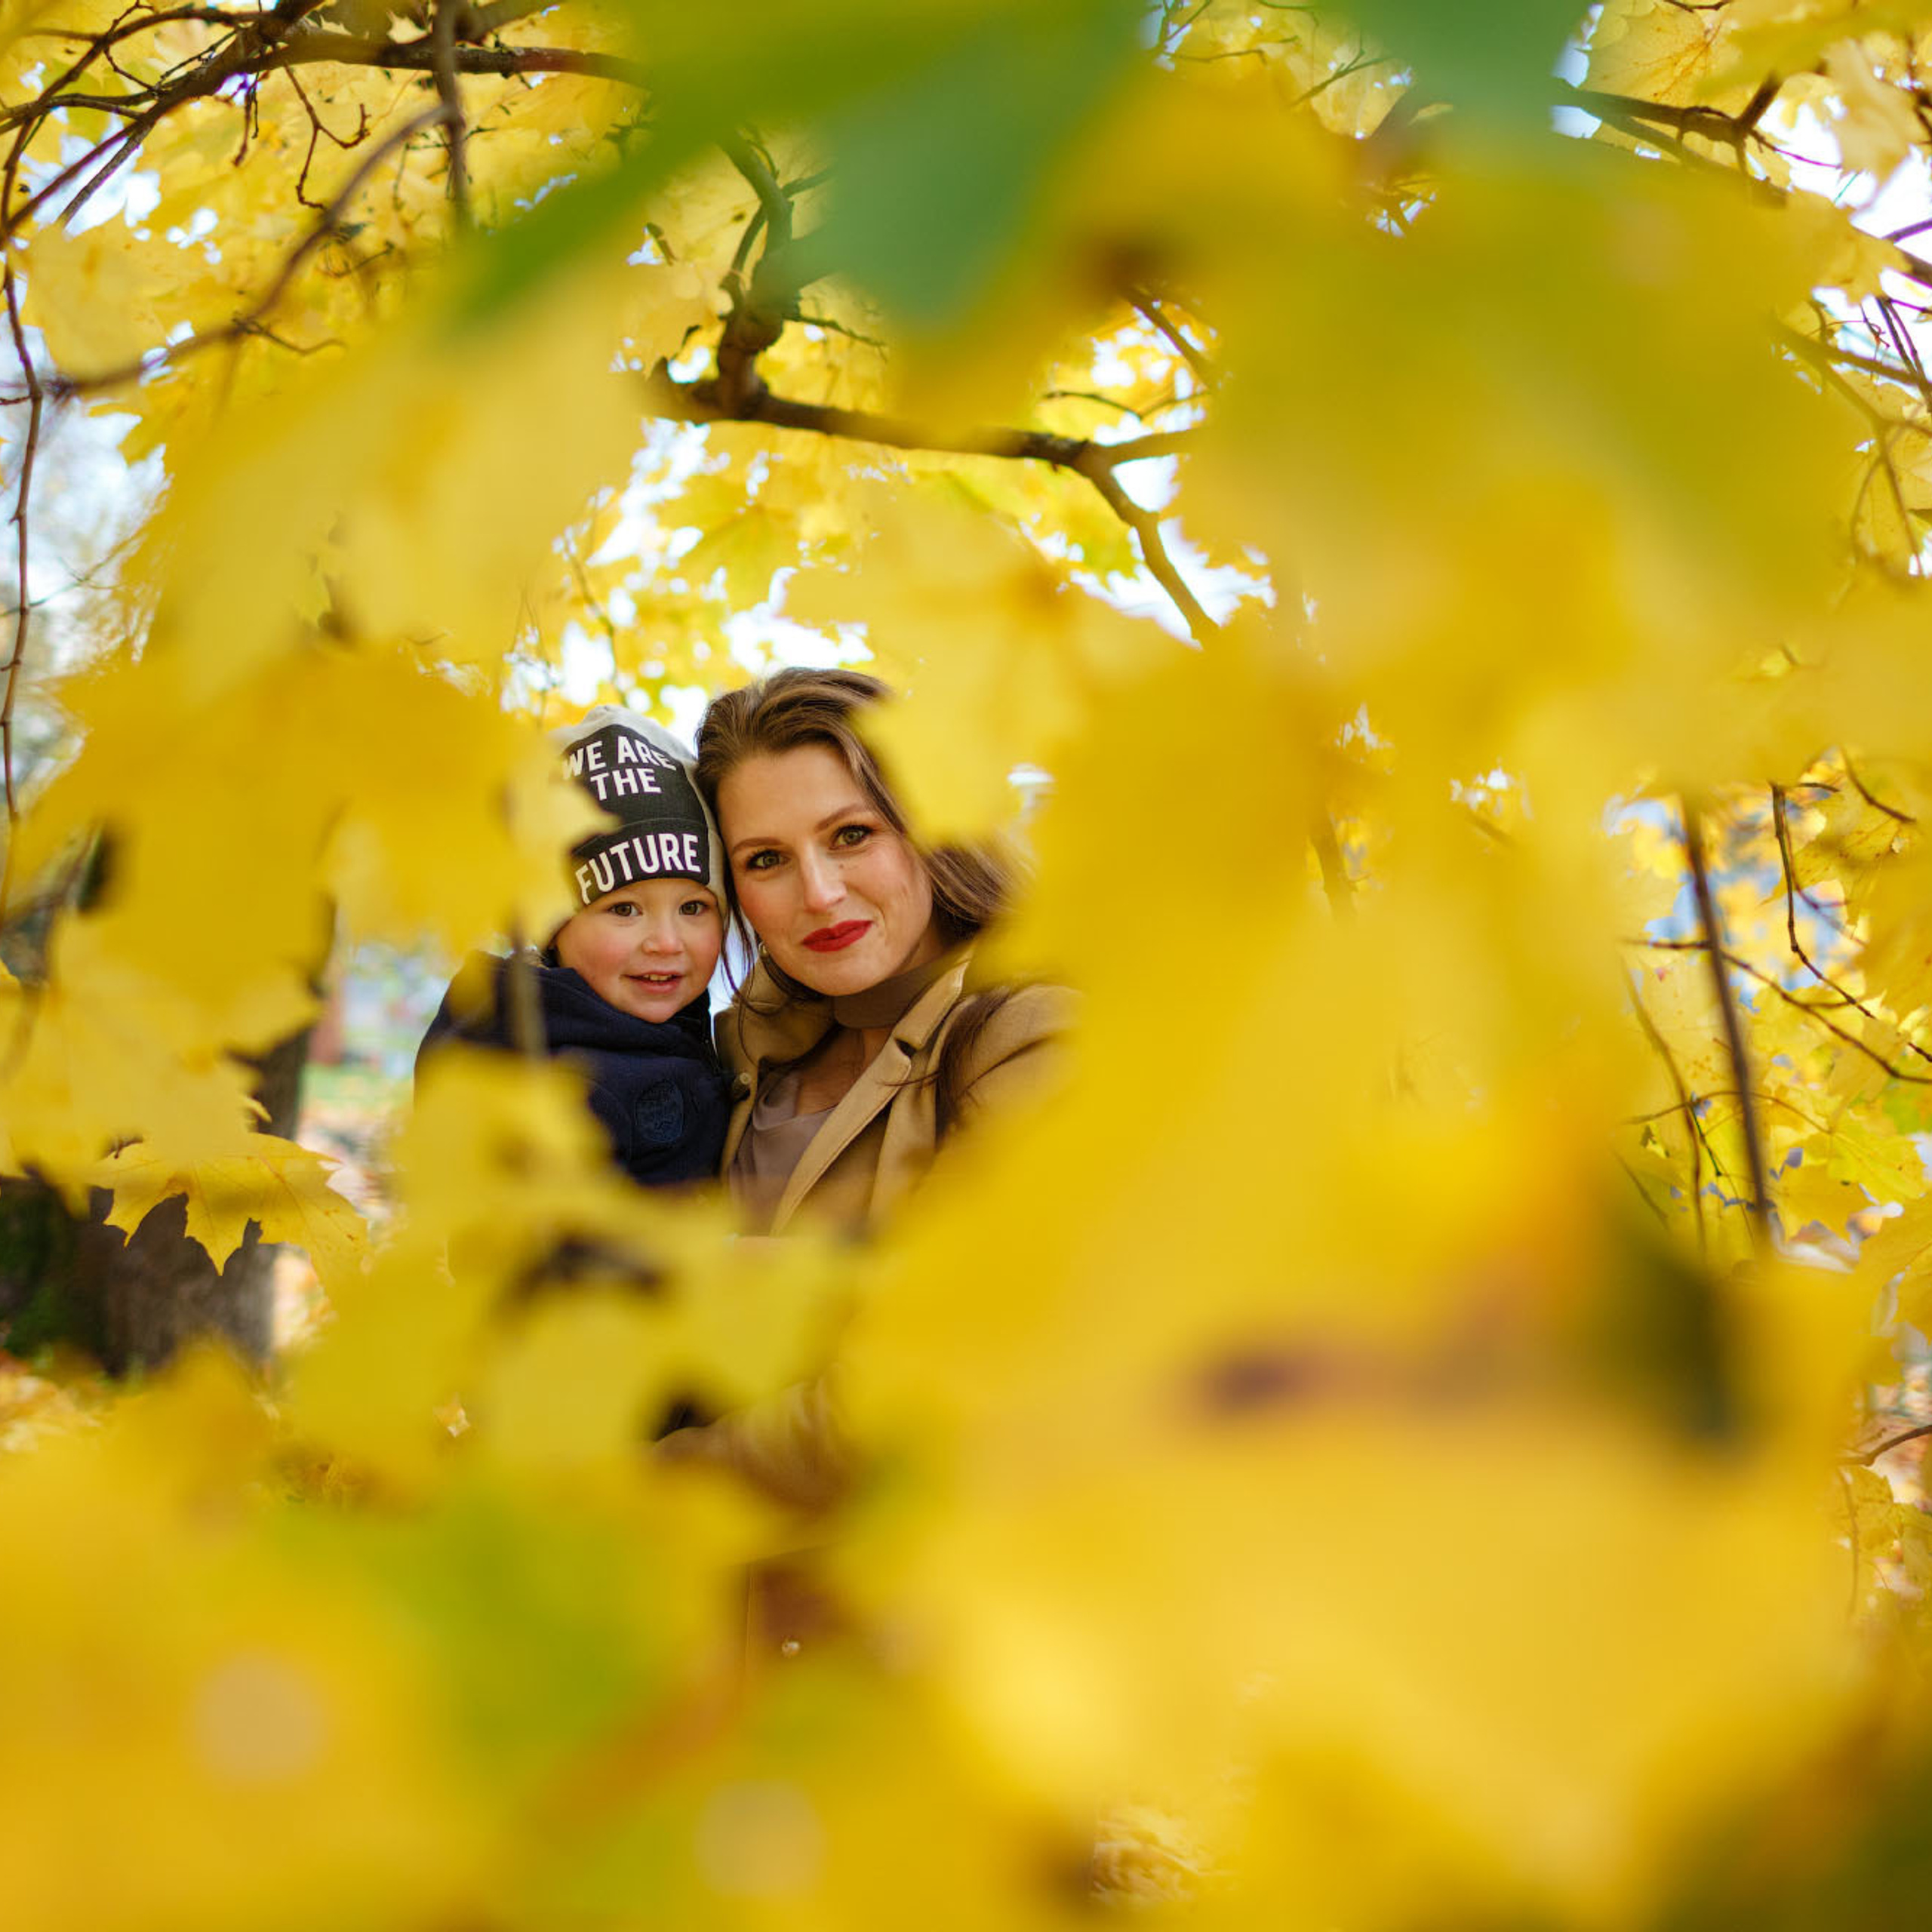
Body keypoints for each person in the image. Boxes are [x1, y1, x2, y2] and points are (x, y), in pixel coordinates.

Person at [694, 666, 1070, 1238]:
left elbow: (979, 1277)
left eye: (851, 835)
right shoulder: (740, 1038)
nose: (819, 895)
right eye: (766, 859)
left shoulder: (1038, 1033)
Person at [416, 705, 732, 1192]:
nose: (667, 943)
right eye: (624, 909)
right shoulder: (552, 1078)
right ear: (552, 928)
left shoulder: (673, 1030)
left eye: (693, 907)